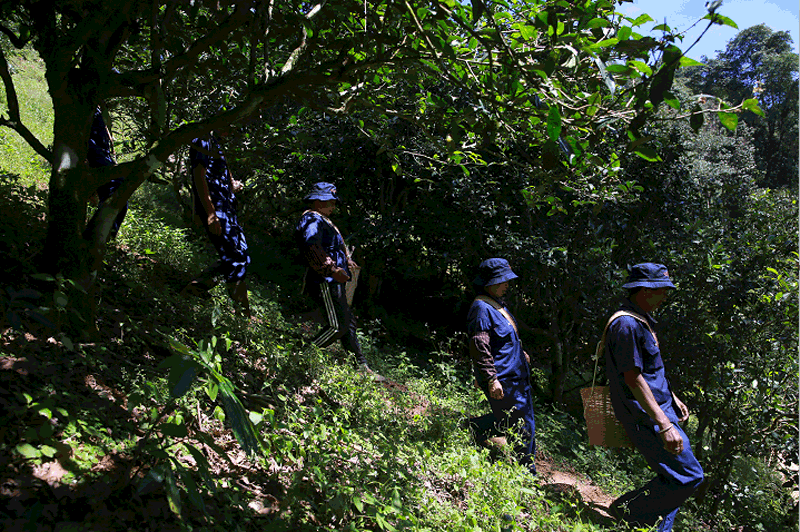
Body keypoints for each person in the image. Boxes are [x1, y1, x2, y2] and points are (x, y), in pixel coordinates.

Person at [605, 263, 704, 531]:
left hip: (661, 407)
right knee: (689, 475)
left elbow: (649, 369)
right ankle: (629, 509)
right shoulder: (626, 324)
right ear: (644, 290)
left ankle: (660, 527)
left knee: (676, 475)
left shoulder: (642, 320)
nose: (664, 296)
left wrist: (673, 396)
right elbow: (633, 378)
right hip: (645, 413)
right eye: (660, 290)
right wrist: (663, 423)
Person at [295, 182, 384, 381]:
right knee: (338, 325)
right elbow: (312, 246)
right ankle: (302, 352)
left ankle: (361, 366)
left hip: (333, 280)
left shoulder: (323, 220)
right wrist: (332, 269)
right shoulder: (311, 219)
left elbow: (330, 247)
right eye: (330, 202)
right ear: (318, 201)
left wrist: (346, 261)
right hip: (325, 280)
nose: (334, 206)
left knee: (348, 322)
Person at [466, 258, 536, 475]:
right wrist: (490, 378)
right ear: (489, 283)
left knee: (517, 421)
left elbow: (502, 341)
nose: (507, 284)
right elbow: (479, 345)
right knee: (522, 427)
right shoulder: (481, 307)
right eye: (502, 280)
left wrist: (520, 354)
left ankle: (472, 428)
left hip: (517, 378)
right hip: (503, 379)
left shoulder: (498, 307)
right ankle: (526, 474)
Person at [182, 130, 252, 318]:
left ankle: (199, 285)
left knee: (242, 257)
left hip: (227, 209)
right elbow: (199, 175)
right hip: (217, 210)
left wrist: (233, 184)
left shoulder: (217, 144)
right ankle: (242, 313)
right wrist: (211, 214)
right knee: (236, 257)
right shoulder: (203, 139)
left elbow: (219, 174)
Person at [87, 105, 128, 239]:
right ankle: (99, 234)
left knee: (119, 189)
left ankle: (102, 232)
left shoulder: (96, 109)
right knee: (117, 187)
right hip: (93, 153)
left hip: (100, 154)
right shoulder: (82, 105)